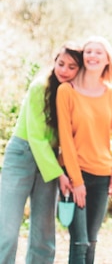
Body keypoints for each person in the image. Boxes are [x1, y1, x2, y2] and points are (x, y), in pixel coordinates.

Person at [56, 36, 112, 264]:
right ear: (83, 57)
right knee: (79, 242)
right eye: (88, 51)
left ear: (107, 60)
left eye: (98, 52)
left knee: (92, 240)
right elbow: (65, 139)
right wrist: (76, 180)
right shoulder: (67, 91)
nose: (92, 56)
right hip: (77, 175)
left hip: (102, 176)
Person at [0, 43, 82, 263]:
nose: (64, 70)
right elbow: (36, 137)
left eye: (72, 67)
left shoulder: (74, 94)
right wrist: (59, 174)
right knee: (6, 230)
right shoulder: (40, 87)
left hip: (50, 159)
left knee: (44, 234)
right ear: (54, 62)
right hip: (22, 154)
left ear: (79, 70)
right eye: (61, 63)